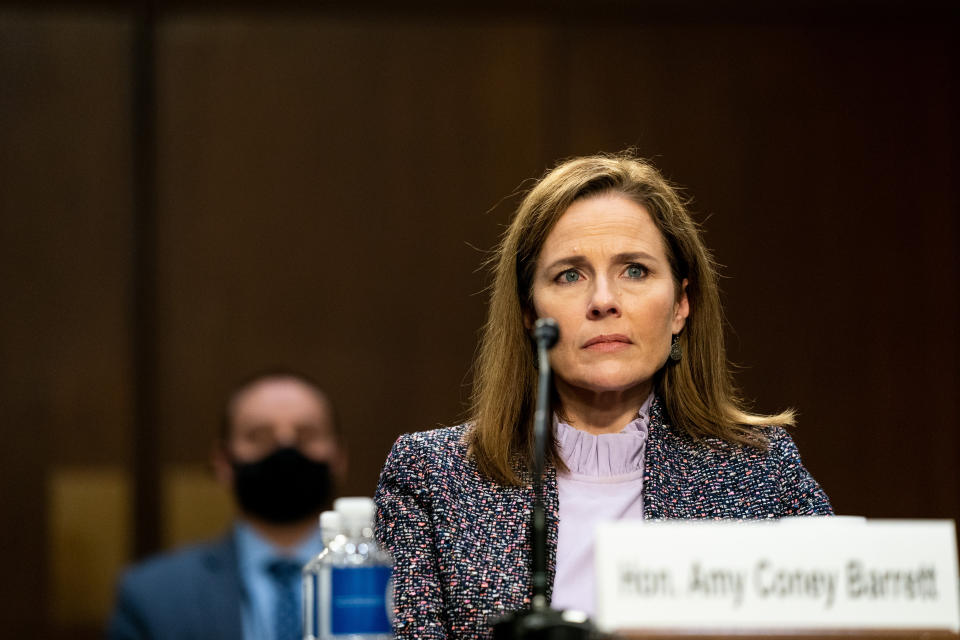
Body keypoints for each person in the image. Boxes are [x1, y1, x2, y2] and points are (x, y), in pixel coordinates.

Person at [374, 153, 832, 640]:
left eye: (634, 270)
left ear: (680, 305)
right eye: (570, 275)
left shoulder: (760, 470)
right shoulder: (432, 476)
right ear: (530, 314)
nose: (603, 301)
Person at [107, 370, 346, 640]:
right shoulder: (152, 594)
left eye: (307, 434)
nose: (285, 448)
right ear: (223, 462)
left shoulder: (394, 582)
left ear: (338, 458)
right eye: (259, 436)